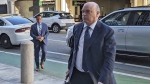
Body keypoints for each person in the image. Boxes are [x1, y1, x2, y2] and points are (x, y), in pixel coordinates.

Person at [66, 2, 116, 84]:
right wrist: (70, 68)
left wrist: (102, 80)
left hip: (96, 77)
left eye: (88, 11)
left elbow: (109, 58)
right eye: (83, 11)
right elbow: (74, 50)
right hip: (77, 75)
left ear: (97, 14)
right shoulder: (77, 28)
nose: (84, 14)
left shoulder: (106, 32)